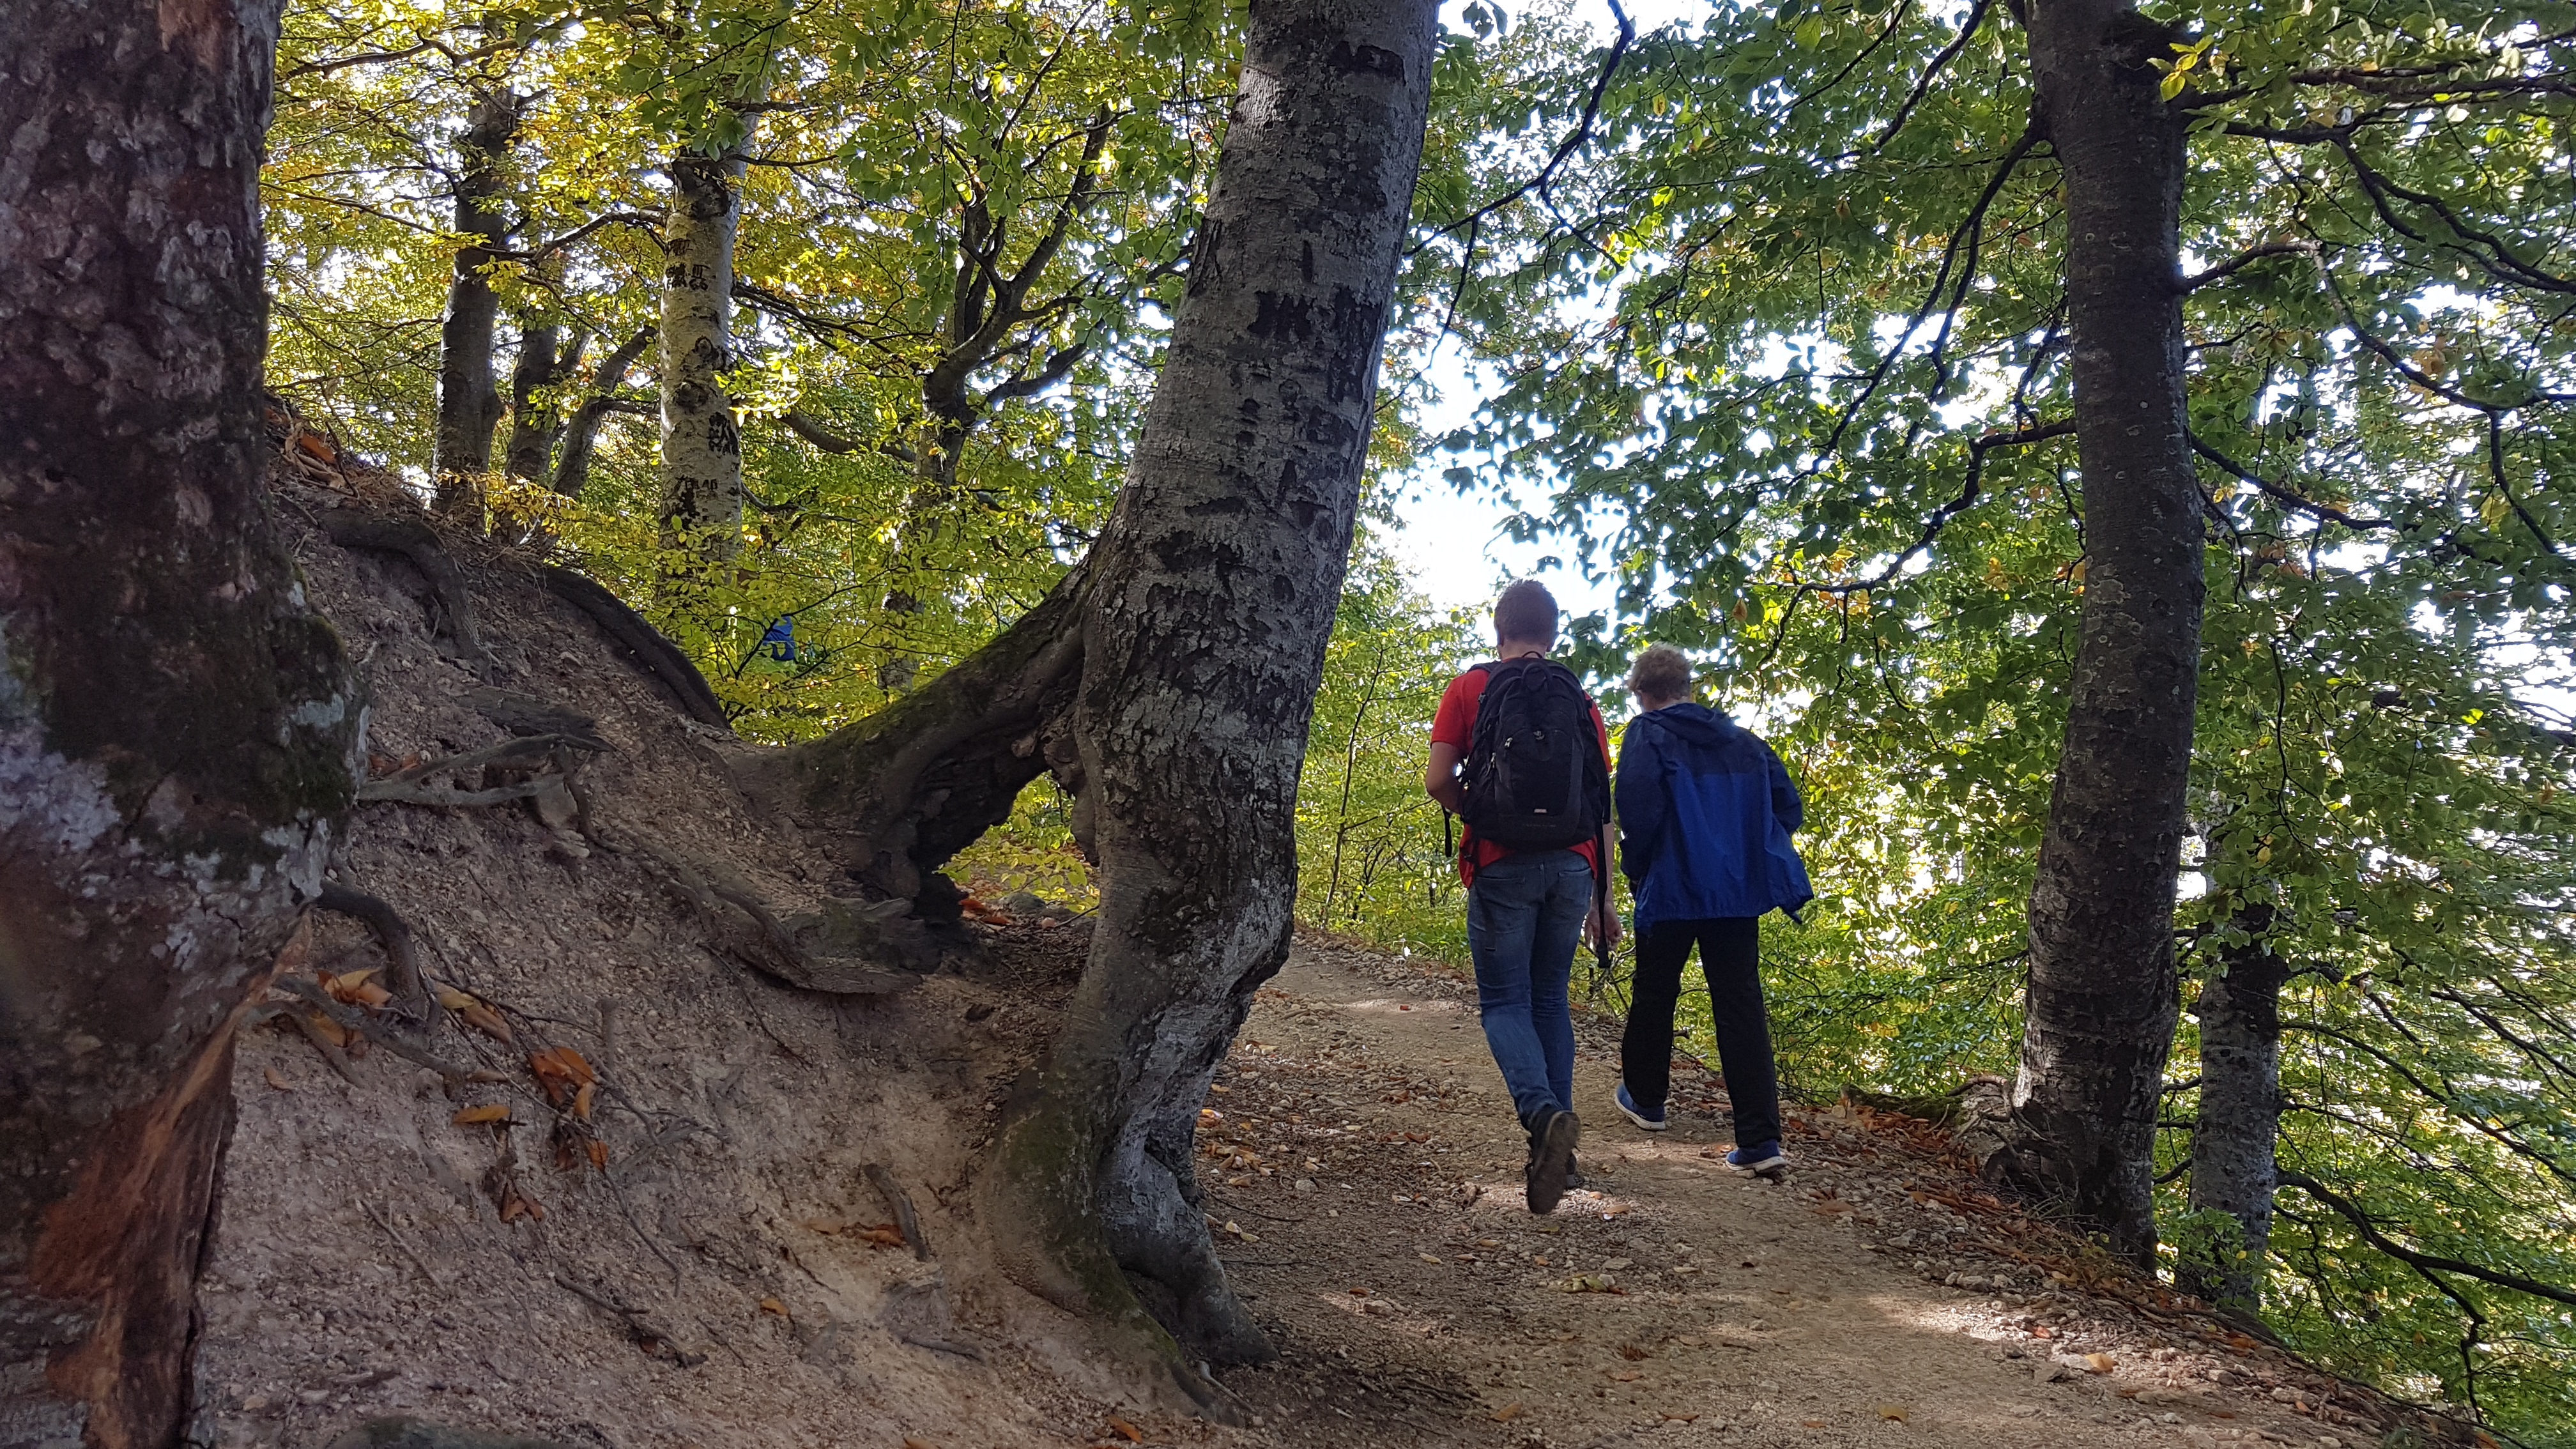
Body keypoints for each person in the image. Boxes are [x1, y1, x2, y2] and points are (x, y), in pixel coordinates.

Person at [1425, 580, 1619, 1214]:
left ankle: (1542, 1116)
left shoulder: (1471, 687)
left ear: (1499, 630)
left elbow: (1437, 779)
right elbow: (1601, 807)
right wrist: (1604, 900)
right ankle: (1561, 1158)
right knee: (1549, 1000)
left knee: (1506, 1002)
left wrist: (1478, 813)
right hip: (1572, 867)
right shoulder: (1580, 700)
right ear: (1553, 635)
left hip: (1501, 862)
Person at [1610, 643, 1813, 1174]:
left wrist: (1636, 868)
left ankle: (1646, 1100)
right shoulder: (1744, 742)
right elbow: (1788, 808)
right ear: (1687, 687)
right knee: (1740, 1002)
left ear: (1641, 692)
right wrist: (1742, 848)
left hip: (1672, 886)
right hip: (1735, 894)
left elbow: (1637, 810)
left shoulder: (1647, 734)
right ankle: (1760, 1142)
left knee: (1655, 989)